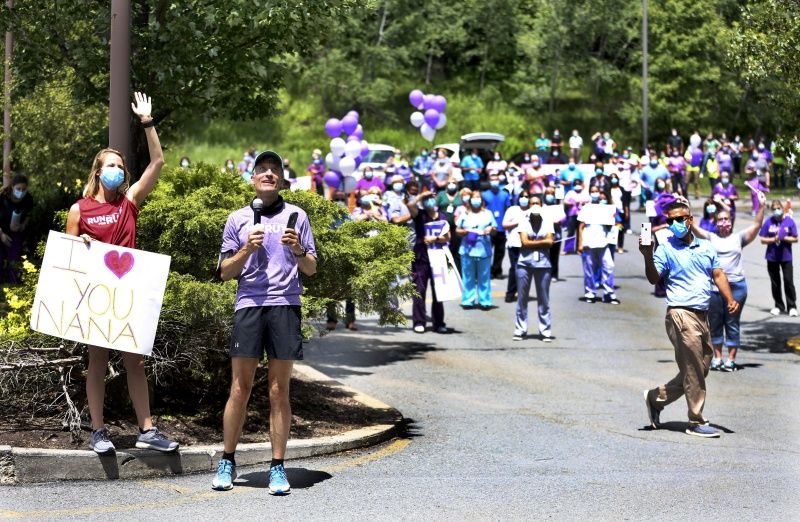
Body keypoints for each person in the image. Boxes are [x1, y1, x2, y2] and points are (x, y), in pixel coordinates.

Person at [65, 92, 178, 454]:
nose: (117, 171)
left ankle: (146, 429)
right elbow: (67, 263)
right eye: (111, 165)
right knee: (96, 360)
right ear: (98, 171)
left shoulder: (129, 202)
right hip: (97, 295)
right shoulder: (79, 209)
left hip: (127, 290)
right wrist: (78, 243)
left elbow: (158, 162)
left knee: (135, 361)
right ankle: (98, 431)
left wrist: (147, 122)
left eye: (121, 167)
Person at [214, 149, 317, 495]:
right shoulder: (237, 219)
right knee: (239, 388)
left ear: (282, 179)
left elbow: (312, 269)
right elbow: (225, 273)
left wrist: (298, 250)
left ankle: (277, 467)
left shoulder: (297, 216)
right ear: (253, 178)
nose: (269, 174)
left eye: (275, 169)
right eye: (263, 169)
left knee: (278, 390)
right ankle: (227, 460)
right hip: (249, 305)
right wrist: (245, 249)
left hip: (285, 305)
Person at [640, 200, 739, 438]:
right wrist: (647, 255)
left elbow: (717, 273)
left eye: (678, 219)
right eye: (670, 221)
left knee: (700, 368)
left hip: (702, 314)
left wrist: (729, 299)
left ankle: (656, 398)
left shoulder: (706, 246)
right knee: (694, 368)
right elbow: (654, 278)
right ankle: (696, 420)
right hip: (680, 314)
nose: (674, 224)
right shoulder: (665, 248)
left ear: (689, 220)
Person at [692, 192, 766, 371]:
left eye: (727, 219)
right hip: (715, 288)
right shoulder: (710, 238)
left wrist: (762, 206)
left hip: (737, 287)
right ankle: (717, 357)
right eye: (720, 220)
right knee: (715, 322)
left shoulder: (738, 238)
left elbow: (756, 225)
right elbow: (693, 227)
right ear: (715, 222)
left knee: (732, 322)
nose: (724, 222)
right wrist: (685, 207)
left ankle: (731, 359)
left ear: (731, 222)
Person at [513, 195, 555, 342]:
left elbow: (551, 242)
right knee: (522, 298)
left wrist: (538, 242)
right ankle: (520, 329)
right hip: (525, 263)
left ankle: (545, 330)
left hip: (543, 264)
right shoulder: (523, 220)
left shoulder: (548, 221)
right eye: (533, 203)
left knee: (543, 298)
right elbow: (524, 242)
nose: (535, 205)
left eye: (538, 203)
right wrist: (542, 242)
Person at [407, 190, 449, 333]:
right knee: (419, 290)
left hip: (437, 257)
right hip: (421, 258)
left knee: (439, 291)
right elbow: (410, 205)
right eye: (428, 199)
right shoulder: (420, 214)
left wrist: (435, 239)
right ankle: (419, 321)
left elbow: (447, 236)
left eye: (432, 198)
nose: (430, 200)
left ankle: (439, 323)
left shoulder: (442, 216)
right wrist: (421, 196)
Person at [577, 185, 620, 304]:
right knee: (589, 269)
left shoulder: (606, 209)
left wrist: (612, 219)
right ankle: (590, 292)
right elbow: (580, 227)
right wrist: (580, 244)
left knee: (609, 266)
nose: (595, 194)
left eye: (597, 192)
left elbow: (610, 227)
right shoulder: (586, 208)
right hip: (589, 242)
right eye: (593, 191)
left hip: (603, 242)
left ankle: (609, 293)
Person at [456, 192, 496, 310]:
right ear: (470, 200)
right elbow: (458, 230)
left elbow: (494, 229)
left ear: (481, 200)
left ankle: (485, 301)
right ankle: (468, 300)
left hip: (484, 250)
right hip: (467, 250)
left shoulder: (488, 214)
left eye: (478, 197)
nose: (476, 200)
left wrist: (490, 229)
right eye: (474, 197)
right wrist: (466, 232)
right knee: (468, 277)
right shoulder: (464, 214)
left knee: (484, 277)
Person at [760, 200, 798, 316]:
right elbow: (762, 239)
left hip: (786, 256)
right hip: (772, 257)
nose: (776, 210)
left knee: (788, 281)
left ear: (782, 208)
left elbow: (796, 238)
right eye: (774, 208)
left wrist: (784, 238)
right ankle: (779, 305)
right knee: (775, 282)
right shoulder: (768, 222)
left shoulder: (789, 221)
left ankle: (792, 306)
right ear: (772, 210)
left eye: (778, 208)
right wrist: (774, 239)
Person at [0, 174, 33, 284]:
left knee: (15, 259)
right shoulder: (2, 197)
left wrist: (24, 224)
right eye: (18, 189)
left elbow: (28, 214)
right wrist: (1, 235)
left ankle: (14, 284)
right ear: (12, 187)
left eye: (23, 189)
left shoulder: (28, 199)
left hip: (17, 232)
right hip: (1, 231)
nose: (21, 191)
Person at [502, 191, 532, 302]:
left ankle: (523, 292)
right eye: (522, 196)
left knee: (525, 269)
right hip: (514, 243)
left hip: (528, 244)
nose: (524, 198)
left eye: (526, 196)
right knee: (515, 268)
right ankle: (510, 293)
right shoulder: (512, 210)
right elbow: (504, 224)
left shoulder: (532, 210)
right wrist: (518, 222)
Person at [482, 172, 511, 278]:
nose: (494, 181)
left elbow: (508, 209)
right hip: (489, 227)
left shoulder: (505, 194)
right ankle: (488, 271)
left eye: (496, 179)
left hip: (501, 227)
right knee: (488, 251)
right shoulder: (485, 194)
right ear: (489, 181)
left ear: (499, 181)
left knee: (500, 251)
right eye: (492, 179)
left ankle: (497, 270)